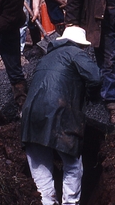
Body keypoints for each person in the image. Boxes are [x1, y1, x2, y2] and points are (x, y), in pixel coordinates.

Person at [21, 26, 101, 205]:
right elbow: (95, 77)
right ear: (80, 44)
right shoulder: (75, 53)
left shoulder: (45, 58)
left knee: (40, 166)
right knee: (72, 165)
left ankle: (47, 202)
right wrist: (92, 96)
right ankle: (70, 203)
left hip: (31, 115)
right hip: (60, 115)